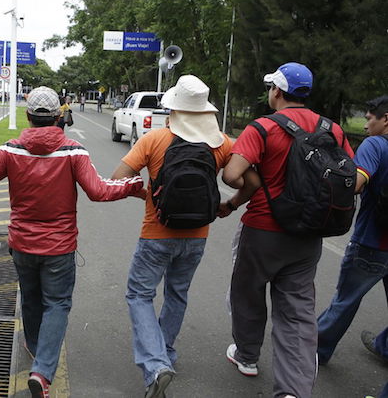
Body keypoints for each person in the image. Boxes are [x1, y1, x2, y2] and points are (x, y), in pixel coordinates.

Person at [0, 87, 143, 398]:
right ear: (57, 117)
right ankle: (42, 370)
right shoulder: (73, 151)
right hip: (59, 248)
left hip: (21, 244)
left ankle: (36, 346)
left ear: (28, 116)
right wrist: (131, 185)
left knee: (31, 296)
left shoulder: (10, 150)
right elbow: (99, 190)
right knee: (58, 303)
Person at [220, 62, 354, 398]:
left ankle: (247, 356)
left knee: (247, 294)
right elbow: (351, 176)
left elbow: (231, 174)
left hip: (263, 229)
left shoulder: (263, 127)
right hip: (308, 234)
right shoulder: (332, 129)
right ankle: (292, 391)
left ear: (277, 91)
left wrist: (243, 192)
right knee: (296, 312)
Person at [111, 75, 235, 398]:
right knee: (177, 293)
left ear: (174, 109)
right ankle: (163, 354)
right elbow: (247, 179)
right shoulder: (221, 143)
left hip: (156, 232)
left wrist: (151, 196)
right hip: (197, 236)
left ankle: (156, 365)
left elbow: (118, 178)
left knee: (139, 295)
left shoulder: (154, 140)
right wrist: (229, 205)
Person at [317, 95, 388, 364]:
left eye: (370, 118)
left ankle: (316, 349)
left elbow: (355, 184)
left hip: (372, 242)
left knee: (345, 301)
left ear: (386, 119)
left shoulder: (375, 145)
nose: (367, 124)